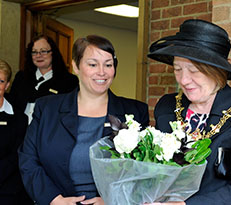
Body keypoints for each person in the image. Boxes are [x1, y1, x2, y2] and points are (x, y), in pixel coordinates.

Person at [18, 35, 150, 205]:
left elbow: (144, 170)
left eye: (108, 65)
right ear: (76, 66)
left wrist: (114, 199)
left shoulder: (135, 112)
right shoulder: (47, 108)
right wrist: (53, 199)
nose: (101, 72)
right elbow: (28, 159)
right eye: (93, 64)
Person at [148, 19, 231, 205]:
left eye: (194, 71)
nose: (184, 80)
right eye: (178, 69)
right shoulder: (166, 106)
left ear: (217, 71)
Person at [9, 35, 78, 123]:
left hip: (50, 133)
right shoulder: (21, 77)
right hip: (21, 133)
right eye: (34, 52)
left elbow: (70, 113)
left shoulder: (69, 81)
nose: (38, 55)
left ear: (53, 53)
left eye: (43, 51)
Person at [0, 60, 33, 204]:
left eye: (0, 81)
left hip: (7, 191)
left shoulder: (20, 119)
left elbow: (15, 156)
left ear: (7, 85)